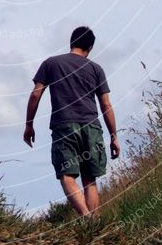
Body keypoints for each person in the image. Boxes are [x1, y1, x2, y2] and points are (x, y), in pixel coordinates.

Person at [23, 26, 120, 217]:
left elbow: (36, 95)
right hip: (91, 127)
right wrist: (114, 136)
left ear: (71, 42)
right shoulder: (96, 69)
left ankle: (86, 217)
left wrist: (29, 124)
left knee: (67, 176)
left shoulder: (50, 64)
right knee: (89, 179)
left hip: (64, 126)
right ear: (90, 47)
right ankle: (94, 228)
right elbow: (106, 105)